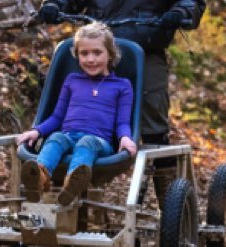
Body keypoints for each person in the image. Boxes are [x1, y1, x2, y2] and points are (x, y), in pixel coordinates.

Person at [35, 0, 205, 209]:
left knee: (155, 127)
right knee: (68, 112)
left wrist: (177, 14)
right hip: (98, 48)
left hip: (145, 49)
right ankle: (57, 191)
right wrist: (56, 2)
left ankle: (170, 211)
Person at [16, 22, 137, 206]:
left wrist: (126, 138)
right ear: (77, 55)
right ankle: (39, 178)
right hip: (68, 136)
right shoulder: (72, 80)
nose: (90, 59)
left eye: (97, 53)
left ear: (110, 54)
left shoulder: (122, 85)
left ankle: (73, 182)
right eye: (84, 53)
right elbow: (57, 117)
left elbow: (122, 122)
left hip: (99, 143)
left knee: (86, 142)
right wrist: (37, 131)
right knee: (56, 137)